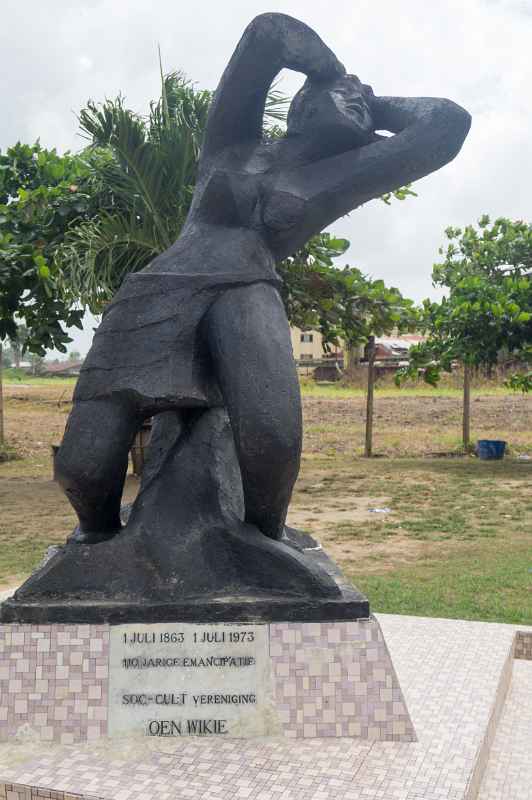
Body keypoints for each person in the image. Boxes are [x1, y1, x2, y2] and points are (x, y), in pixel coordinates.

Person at [55, 13, 471, 545]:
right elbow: (268, 34)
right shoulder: (231, 144)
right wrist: (331, 72)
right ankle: (94, 548)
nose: (359, 97)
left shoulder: (345, 172)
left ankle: (264, 545)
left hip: (246, 290)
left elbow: (446, 124)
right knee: (83, 471)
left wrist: (371, 103)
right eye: (349, 94)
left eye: (365, 102)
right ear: (301, 103)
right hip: (158, 291)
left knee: (272, 440)